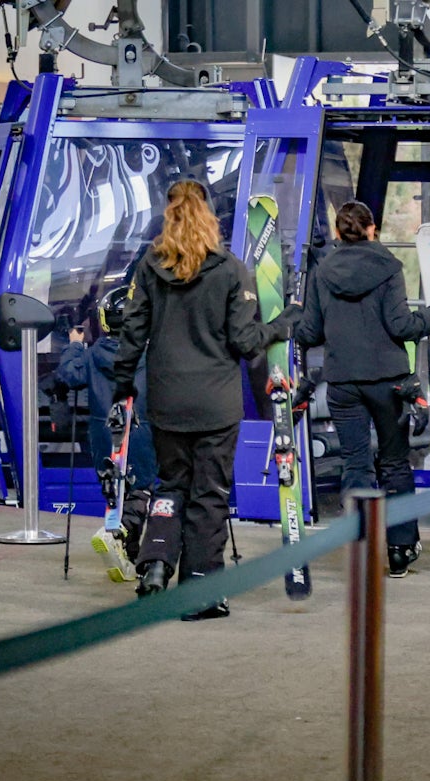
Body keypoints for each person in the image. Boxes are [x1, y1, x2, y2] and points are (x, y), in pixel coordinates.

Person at [111, 179, 298, 619]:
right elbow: (246, 342)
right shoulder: (233, 270)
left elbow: (131, 335)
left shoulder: (149, 267)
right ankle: (200, 593)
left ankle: (155, 566)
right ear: (211, 217)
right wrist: (283, 323)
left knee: (171, 486)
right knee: (209, 495)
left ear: (167, 216)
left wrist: (124, 388)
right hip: (215, 403)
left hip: (167, 400)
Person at [293, 200, 430, 578]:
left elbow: (310, 332)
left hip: (343, 381)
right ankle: (399, 550)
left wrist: (298, 312)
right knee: (395, 464)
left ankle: (361, 549)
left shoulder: (323, 271)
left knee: (356, 463)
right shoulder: (388, 267)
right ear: (373, 229)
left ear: (337, 233)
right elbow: (400, 326)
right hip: (388, 380)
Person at [56, 285, 157, 583]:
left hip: (102, 434)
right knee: (141, 490)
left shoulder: (92, 354)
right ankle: (119, 533)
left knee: (114, 490)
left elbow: (69, 375)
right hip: (139, 431)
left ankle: (128, 555)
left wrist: (75, 344)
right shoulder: (149, 354)